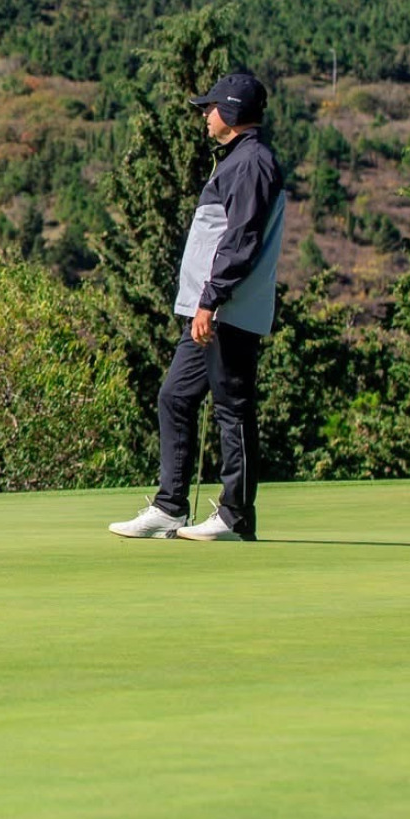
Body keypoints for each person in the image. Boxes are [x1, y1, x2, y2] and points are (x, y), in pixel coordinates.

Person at [109, 69, 287, 543]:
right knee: (175, 397)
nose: (205, 116)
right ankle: (170, 508)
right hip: (209, 310)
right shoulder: (236, 160)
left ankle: (235, 517)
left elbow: (241, 240)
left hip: (227, 310)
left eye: (210, 108)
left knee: (232, 409)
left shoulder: (251, 163)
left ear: (229, 112)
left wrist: (212, 298)